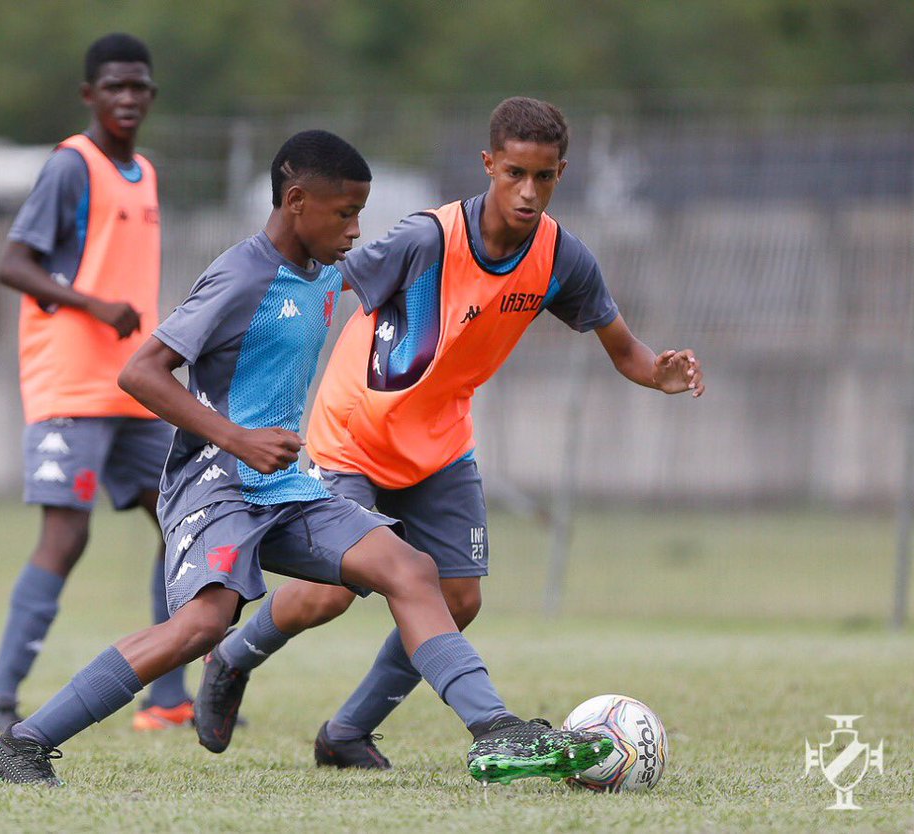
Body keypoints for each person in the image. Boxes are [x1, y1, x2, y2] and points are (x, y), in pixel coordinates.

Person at [0, 129, 612, 786]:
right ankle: (20, 745)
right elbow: (141, 372)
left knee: (411, 570)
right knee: (201, 626)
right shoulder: (241, 276)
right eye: (345, 214)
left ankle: (496, 732)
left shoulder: (325, 272)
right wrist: (236, 437)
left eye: (360, 214)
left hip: (283, 488)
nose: (356, 230)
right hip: (215, 486)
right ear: (297, 201)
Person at [193, 97, 704, 769]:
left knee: (459, 599)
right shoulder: (426, 239)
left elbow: (625, 348)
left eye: (543, 177)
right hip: (354, 433)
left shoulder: (561, 257)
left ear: (561, 174)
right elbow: (324, 281)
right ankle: (233, 655)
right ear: (489, 165)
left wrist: (657, 374)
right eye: (515, 173)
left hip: (440, 443)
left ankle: (345, 733)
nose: (528, 192)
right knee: (330, 592)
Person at [0, 33, 193, 738]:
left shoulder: (145, 174)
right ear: (90, 95)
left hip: (135, 387)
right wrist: (93, 304)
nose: (127, 97)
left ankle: (168, 698)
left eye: (139, 86)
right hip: (70, 384)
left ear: (152, 95)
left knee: (182, 521)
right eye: (114, 86)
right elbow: (14, 263)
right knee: (66, 535)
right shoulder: (71, 166)